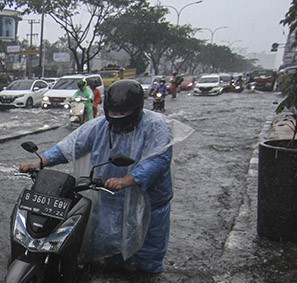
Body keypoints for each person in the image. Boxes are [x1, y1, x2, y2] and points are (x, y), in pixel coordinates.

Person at [19, 79, 192, 273]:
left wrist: (128, 180)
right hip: (109, 201)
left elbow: (158, 159)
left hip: (148, 204)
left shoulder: (155, 126)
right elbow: (72, 144)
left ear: (136, 109)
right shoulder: (100, 126)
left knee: (146, 259)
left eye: (123, 112)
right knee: (105, 253)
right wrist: (41, 162)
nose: (117, 116)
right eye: (114, 112)